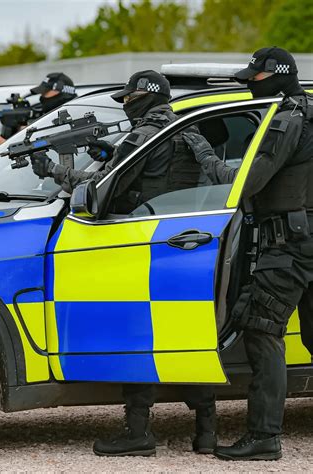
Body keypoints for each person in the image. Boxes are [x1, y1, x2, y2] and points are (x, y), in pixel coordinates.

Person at [30, 70, 218, 457]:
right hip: (187, 240)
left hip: (141, 239)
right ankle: (206, 432)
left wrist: (52, 170)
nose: (126, 108)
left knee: (139, 341)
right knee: (183, 339)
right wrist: (108, 155)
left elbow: (99, 190)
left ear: (143, 99)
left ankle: (137, 433)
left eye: (129, 100)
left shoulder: (143, 135)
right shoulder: (188, 130)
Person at [182, 47, 313, 461]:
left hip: (290, 245)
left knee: (262, 328)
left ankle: (264, 437)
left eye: (251, 80)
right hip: (305, 236)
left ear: (274, 76)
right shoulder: (307, 112)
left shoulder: (286, 120)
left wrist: (203, 153)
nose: (247, 86)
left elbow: (246, 184)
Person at [0, 72, 77, 147]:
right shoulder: (45, 113)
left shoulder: (73, 117)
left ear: (61, 92)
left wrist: (1, 143)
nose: (42, 96)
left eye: (45, 92)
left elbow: (44, 151)